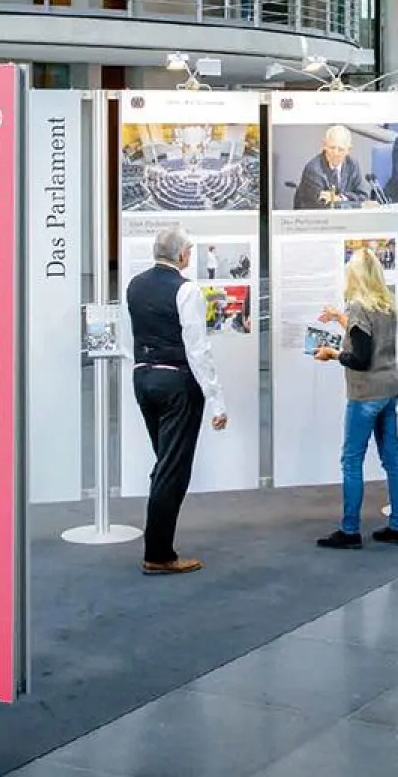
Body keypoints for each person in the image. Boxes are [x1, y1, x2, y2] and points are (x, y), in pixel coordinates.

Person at [126, 227, 227, 575]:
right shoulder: (186, 290)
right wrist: (216, 400)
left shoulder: (134, 285)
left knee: (164, 463)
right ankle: (158, 554)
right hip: (177, 383)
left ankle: (158, 544)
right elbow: (198, 349)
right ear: (182, 255)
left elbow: (134, 336)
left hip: (143, 378)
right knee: (172, 469)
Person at [312, 249, 398, 549]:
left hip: (366, 392)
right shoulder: (387, 305)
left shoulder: (358, 307)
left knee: (351, 460)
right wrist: (340, 318)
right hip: (389, 387)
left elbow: (360, 357)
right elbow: (369, 340)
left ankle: (350, 530)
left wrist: (332, 353)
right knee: (392, 459)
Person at [293, 125, 370, 209]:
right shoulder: (313, 170)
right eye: (332, 148)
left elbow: (363, 197)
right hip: (316, 219)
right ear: (324, 145)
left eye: (341, 149)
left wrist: (339, 198)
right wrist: (352, 201)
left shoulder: (353, 165)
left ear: (348, 150)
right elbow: (325, 206)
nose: (336, 153)